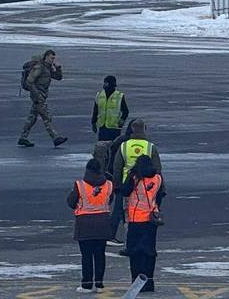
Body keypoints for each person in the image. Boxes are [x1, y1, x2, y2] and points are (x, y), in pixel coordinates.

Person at [111, 119, 162, 246]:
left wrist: (117, 186)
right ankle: (146, 242)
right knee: (147, 215)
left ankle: (130, 244)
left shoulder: (124, 146)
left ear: (132, 129)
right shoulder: (150, 147)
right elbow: (158, 168)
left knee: (129, 216)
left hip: (128, 187)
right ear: (144, 129)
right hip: (147, 187)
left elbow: (117, 167)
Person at [67, 157, 114, 293]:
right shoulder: (108, 185)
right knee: (100, 255)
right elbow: (109, 200)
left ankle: (87, 284)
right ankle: (99, 284)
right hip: (102, 223)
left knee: (86, 256)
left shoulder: (80, 185)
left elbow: (71, 202)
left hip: (84, 224)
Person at [121, 154, 165, 293]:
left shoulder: (135, 177)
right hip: (151, 219)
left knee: (135, 252)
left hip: (136, 218)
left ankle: (136, 282)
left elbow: (125, 191)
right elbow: (160, 195)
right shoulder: (158, 178)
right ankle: (149, 282)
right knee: (149, 251)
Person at [18, 49, 67, 148]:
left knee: (32, 117)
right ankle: (55, 138)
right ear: (46, 57)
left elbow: (58, 77)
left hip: (41, 95)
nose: (53, 60)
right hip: (38, 96)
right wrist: (36, 94)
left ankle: (23, 138)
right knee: (46, 117)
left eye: (54, 58)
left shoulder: (48, 68)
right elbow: (29, 81)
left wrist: (58, 68)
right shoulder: (39, 67)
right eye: (51, 58)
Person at [92, 75, 130, 142]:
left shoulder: (119, 96)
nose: (105, 85)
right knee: (101, 147)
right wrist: (93, 123)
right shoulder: (99, 95)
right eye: (104, 83)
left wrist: (122, 120)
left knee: (113, 147)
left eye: (106, 83)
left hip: (114, 127)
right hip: (102, 127)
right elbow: (95, 110)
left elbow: (125, 111)